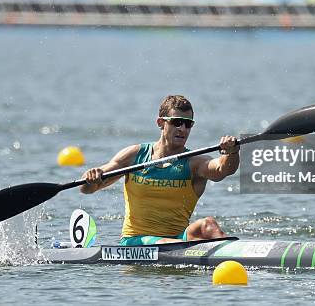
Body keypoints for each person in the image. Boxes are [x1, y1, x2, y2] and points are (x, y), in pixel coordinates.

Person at [80, 95, 240, 246]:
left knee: (208, 224)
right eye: (177, 122)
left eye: (188, 124)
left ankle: (235, 253)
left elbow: (222, 170)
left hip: (178, 239)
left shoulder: (194, 163)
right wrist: (91, 178)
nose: (183, 129)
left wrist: (231, 152)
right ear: (160, 123)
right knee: (166, 243)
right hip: (136, 240)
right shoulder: (134, 156)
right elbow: (87, 189)